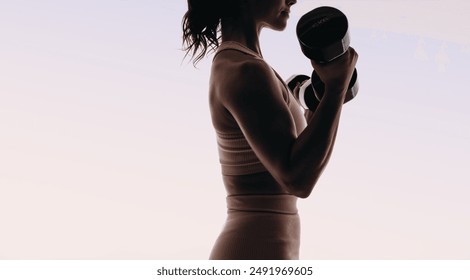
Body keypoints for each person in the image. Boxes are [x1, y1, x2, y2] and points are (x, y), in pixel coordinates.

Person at [182, 0, 358, 259]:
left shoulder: (245, 64)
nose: (293, 0)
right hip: (253, 248)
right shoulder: (245, 70)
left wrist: (324, 105)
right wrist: (334, 89)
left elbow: (297, 159)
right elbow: (298, 179)